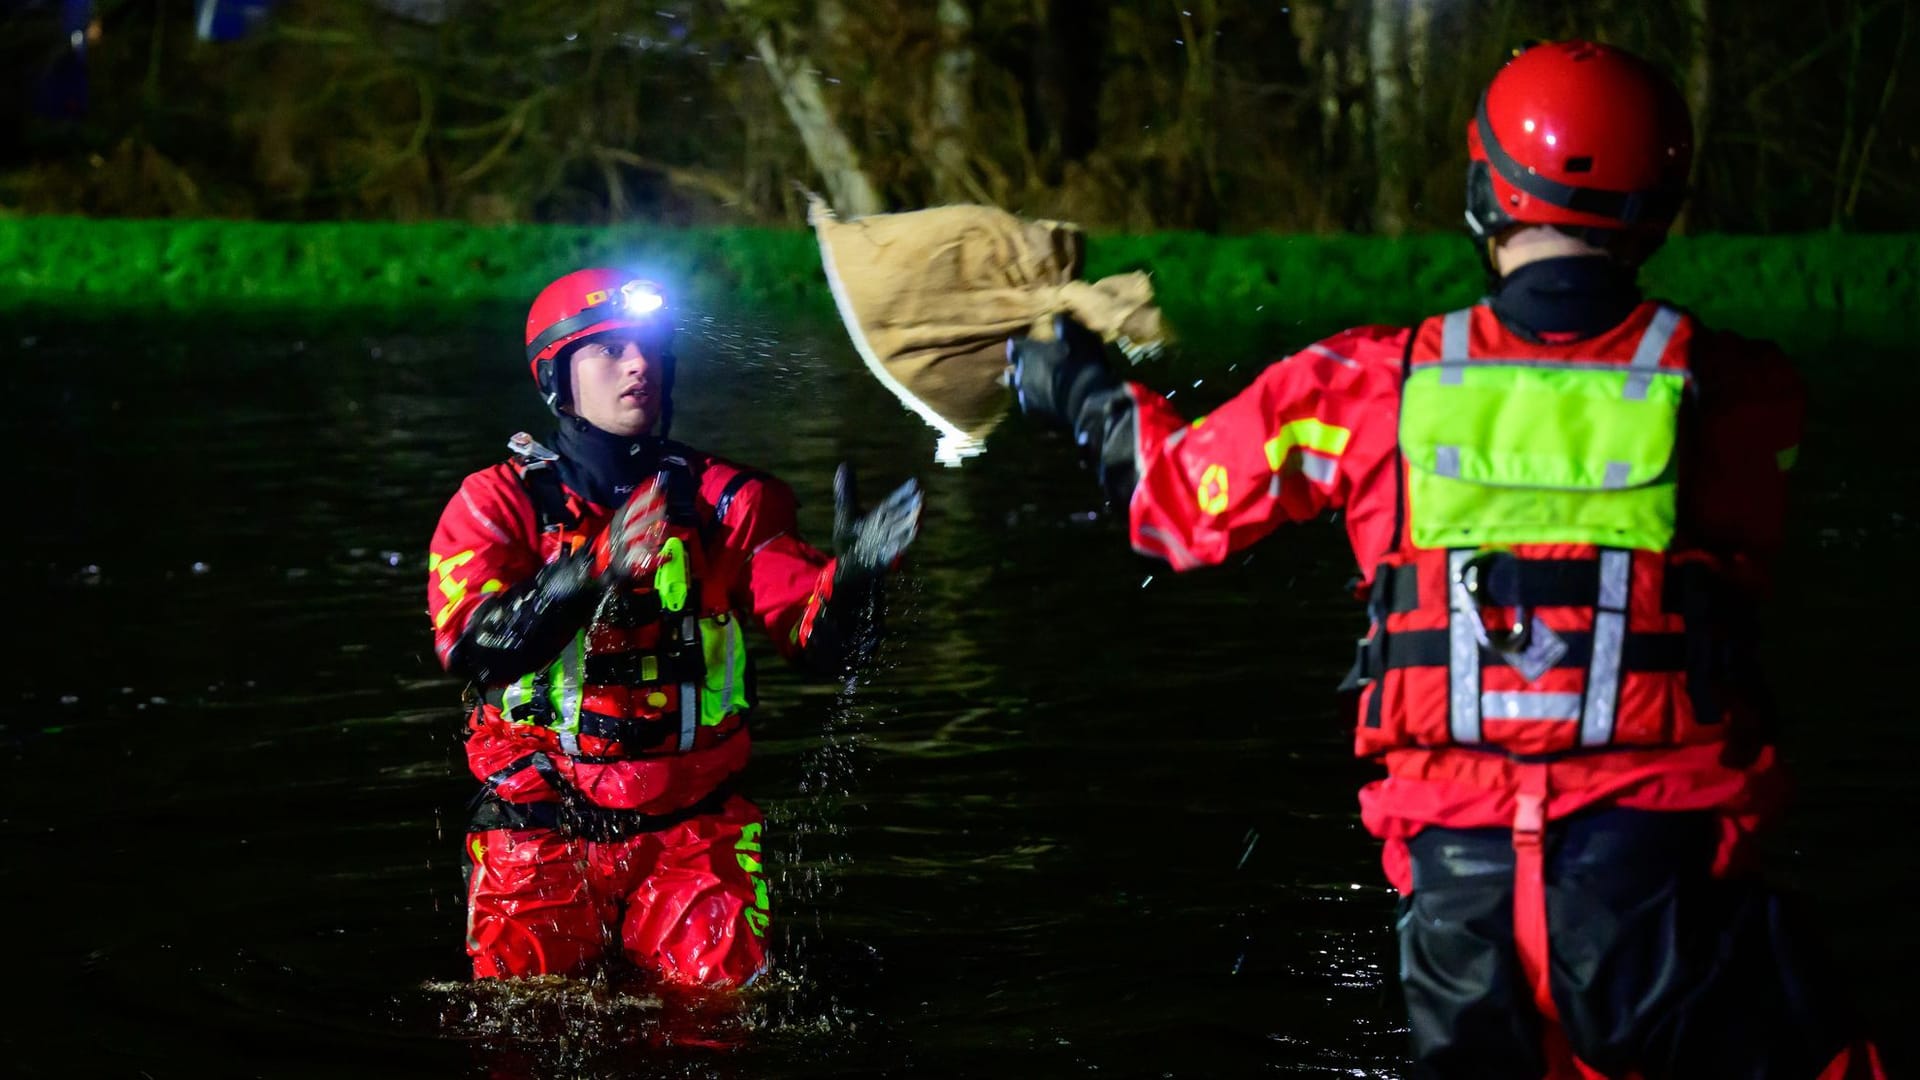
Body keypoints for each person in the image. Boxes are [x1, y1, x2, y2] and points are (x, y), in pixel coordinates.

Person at [1008, 41, 1886, 1079]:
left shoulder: (1364, 385)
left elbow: (1173, 510)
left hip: (1460, 911)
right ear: (1662, 204)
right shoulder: (1744, 395)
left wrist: (1082, 387)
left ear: (1484, 190)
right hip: (1661, 896)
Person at [427, 268, 921, 989]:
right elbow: (472, 646)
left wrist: (855, 583)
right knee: (523, 1024)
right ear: (557, 378)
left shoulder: (732, 503)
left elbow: (822, 647)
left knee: (720, 1025)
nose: (639, 364)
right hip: (537, 823)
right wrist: (590, 569)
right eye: (610, 349)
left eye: (652, 348)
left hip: (696, 829)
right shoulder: (495, 502)